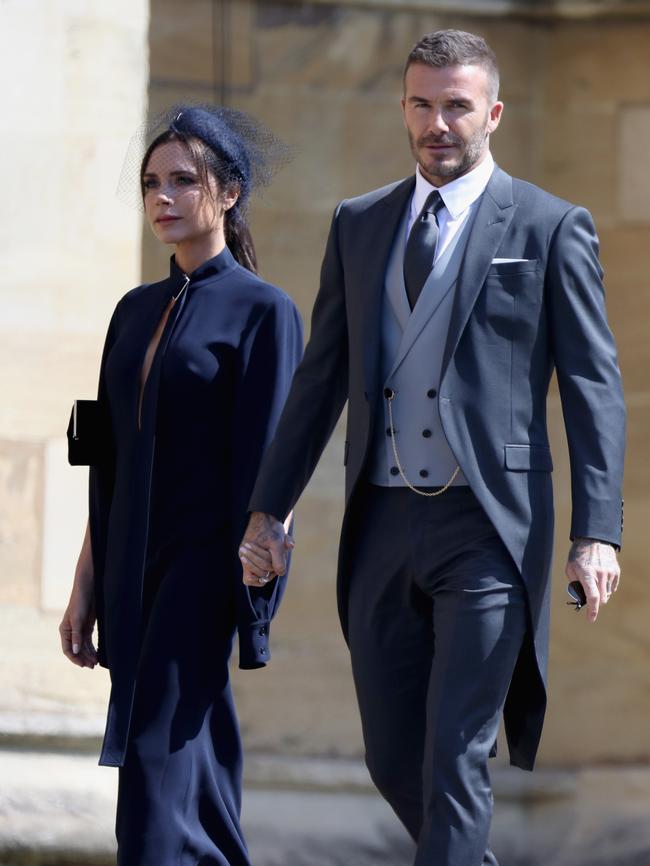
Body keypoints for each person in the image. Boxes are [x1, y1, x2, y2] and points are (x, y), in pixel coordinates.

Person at [239, 30, 625, 866]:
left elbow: (594, 388)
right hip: (380, 524)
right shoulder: (359, 223)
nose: (438, 123)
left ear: (493, 112)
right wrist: (268, 508)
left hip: (489, 529)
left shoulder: (553, 226)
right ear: (404, 108)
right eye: (422, 104)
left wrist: (597, 532)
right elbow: (320, 380)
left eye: (456, 106)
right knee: (392, 757)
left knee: (455, 754)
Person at [59, 105, 302, 865]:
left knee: (154, 761)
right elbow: (98, 449)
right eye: (150, 183)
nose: (162, 197)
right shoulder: (131, 312)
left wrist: (265, 551)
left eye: (182, 181)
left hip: (204, 570)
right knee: (190, 772)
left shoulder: (266, 312)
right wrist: (84, 581)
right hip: (130, 571)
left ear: (227, 193)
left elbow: (277, 459)